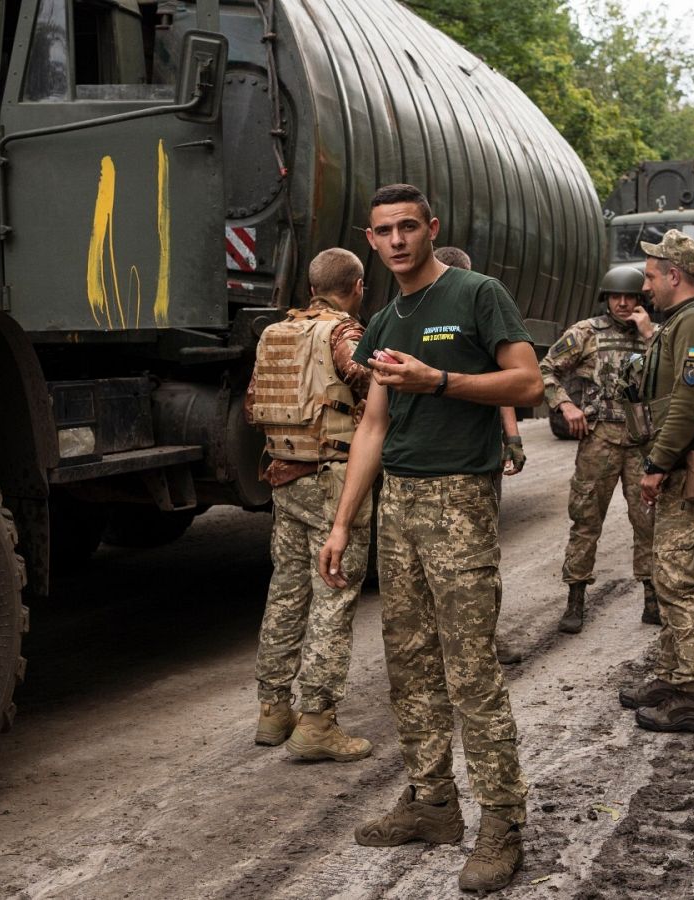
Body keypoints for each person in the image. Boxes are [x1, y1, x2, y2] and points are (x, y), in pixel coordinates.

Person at [318, 184, 541, 892]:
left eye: (409, 227)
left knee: (469, 667)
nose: (397, 241)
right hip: (399, 506)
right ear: (371, 239)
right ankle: (432, 802)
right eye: (383, 231)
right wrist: (342, 522)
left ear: (430, 228)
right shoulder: (385, 319)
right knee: (408, 663)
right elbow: (374, 426)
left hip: (459, 499)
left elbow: (528, 383)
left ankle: (502, 823)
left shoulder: (476, 295)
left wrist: (438, 379)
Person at [244, 248, 374, 762]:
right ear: (357, 287)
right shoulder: (345, 334)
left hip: (283, 475)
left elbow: (255, 406)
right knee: (334, 594)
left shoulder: (275, 333)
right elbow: (374, 386)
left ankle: (273, 710)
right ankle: (318, 721)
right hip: (332, 478)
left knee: (286, 592)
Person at [615, 229, 694, 733]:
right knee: (678, 572)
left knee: (676, 575)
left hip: (691, 464)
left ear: (674, 275)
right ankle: (671, 676)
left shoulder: (693, 324)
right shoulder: (685, 322)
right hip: (690, 461)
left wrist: (656, 464)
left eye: (651, 277)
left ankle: (693, 695)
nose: (647, 287)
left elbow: (689, 405)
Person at [541, 265, 657, 633]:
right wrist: (565, 405)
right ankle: (575, 599)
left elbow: (675, 374)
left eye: (630, 297)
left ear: (642, 299)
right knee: (586, 521)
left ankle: (653, 599)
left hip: (642, 442)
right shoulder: (586, 333)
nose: (622, 304)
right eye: (616, 297)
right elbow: (546, 368)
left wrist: (649, 335)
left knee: (649, 523)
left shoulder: (656, 335)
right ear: (606, 298)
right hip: (600, 439)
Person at [437, 245, 524, 667]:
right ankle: (483, 641)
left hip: (441, 461)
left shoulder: (414, 316)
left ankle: (469, 640)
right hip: (471, 460)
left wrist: (512, 438)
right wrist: (512, 438)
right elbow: (504, 381)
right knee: (479, 556)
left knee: (446, 557)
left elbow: (503, 381)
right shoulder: (475, 316)